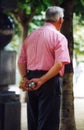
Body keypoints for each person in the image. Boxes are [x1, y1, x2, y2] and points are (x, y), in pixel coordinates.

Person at [18, 6, 70, 130]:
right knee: (48, 123)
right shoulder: (59, 37)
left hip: (31, 79)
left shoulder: (31, 36)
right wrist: (41, 80)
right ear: (60, 20)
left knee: (33, 122)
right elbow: (59, 64)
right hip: (49, 81)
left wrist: (25, 78)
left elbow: (21, 61)